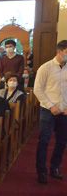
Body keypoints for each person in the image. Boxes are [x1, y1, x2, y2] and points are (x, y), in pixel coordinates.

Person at [33, 40, 67, 184]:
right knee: (44, 140)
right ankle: (41, 171)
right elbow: (38, 89)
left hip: (64, 111)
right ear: (59, 51)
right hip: (48, 110)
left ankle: (55, 167)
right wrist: (51, 106)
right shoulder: (45, 68)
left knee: (61, 141)